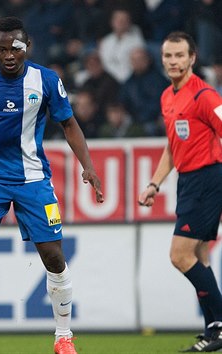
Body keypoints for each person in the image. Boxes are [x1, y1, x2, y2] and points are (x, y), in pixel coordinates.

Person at [0, 17, 104, 354]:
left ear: (27, 47)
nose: (8, 54)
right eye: (1, 48)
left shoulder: (46, 80)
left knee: (54, 255)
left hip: (34, 179)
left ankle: (63, 338)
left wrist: (88, 167)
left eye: (15, 47)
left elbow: (69, 123)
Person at [138, 31, 222, 353]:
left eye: (179, 56)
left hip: (207, 178)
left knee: (179, 255)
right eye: (168, 56)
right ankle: (213, 329)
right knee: (199, 256)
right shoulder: (167, 96)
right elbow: (173, 148)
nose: (173, 61)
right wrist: (154, 183)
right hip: (187, 181)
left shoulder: (204, 96)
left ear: (192, 59)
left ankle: (221, 323)